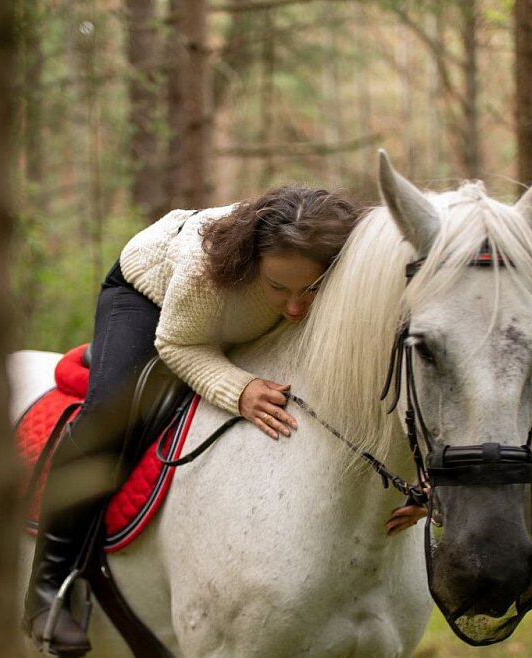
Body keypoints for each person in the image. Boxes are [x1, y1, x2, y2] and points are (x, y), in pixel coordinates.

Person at [24, 185, 363, 655]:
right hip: (152, 296)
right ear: (254, 265)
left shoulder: (340, 266)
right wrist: (239, 389)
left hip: (223, 315)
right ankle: (48, 585)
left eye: (311, 289)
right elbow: (179, 345)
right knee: (110, 415)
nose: (294, 308)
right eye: (278, 288)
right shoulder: (208, 267)